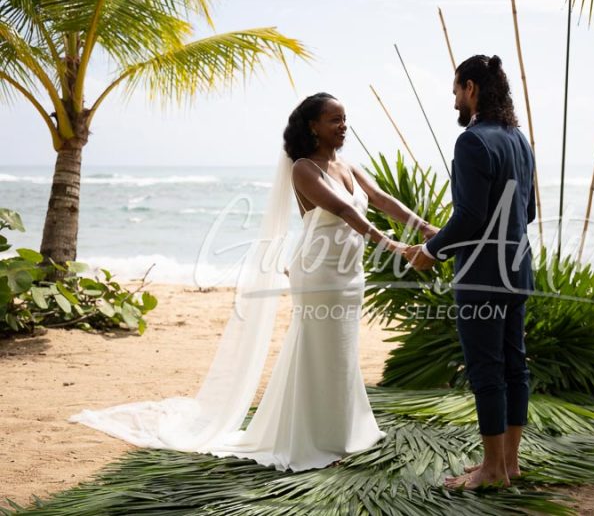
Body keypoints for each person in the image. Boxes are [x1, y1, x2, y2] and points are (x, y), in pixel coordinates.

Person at [70, 92, 436, 472]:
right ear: (313, 126)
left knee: (341, 351)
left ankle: (343, 430)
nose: (343, 126)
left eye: (345, 119)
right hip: (319, 272)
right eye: (334, 120)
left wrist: (426, 229)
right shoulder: (304, 169)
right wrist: (393, 245)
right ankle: (313, 437)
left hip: (349, 273)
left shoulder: (349, 167)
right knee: (318, 348)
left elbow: (381, 199)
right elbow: (342, 210)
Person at [406, 55, 536, 489]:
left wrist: (430, 249)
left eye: (456, 92)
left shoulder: (472, 142)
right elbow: (528, 212)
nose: (455, 102)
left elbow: (470, 217)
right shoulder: (520, 141)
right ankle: (510, 463)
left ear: (472, 88)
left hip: (481, 276)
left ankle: (493, 470)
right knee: (514, 366)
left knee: (485, 370)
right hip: (518, 270)